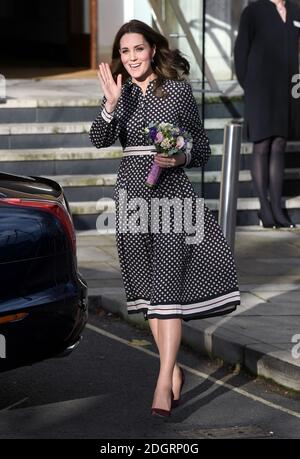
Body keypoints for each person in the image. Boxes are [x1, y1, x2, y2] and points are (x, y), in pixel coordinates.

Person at [90, 19, 240, 417]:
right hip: (131, 196)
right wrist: (108, 106)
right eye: (124, 52)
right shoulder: (119, 92)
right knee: (148, 293)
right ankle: (173, 371)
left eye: (138, 49)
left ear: (153, 49)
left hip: (172, 194)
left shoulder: (175, 90)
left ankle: (162, 380)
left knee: (167, 290)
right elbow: (98, 139)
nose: (132, 57)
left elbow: (203, 148)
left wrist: (179, 156)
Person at [234, 0, 300, 228]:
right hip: (260, 90)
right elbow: (241, 52)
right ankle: (265, 207)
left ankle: (277, 207)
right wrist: (250, 86)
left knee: (280, 143)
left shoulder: (296, 10)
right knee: (262, 144)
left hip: (288, 89)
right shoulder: (253, 11)